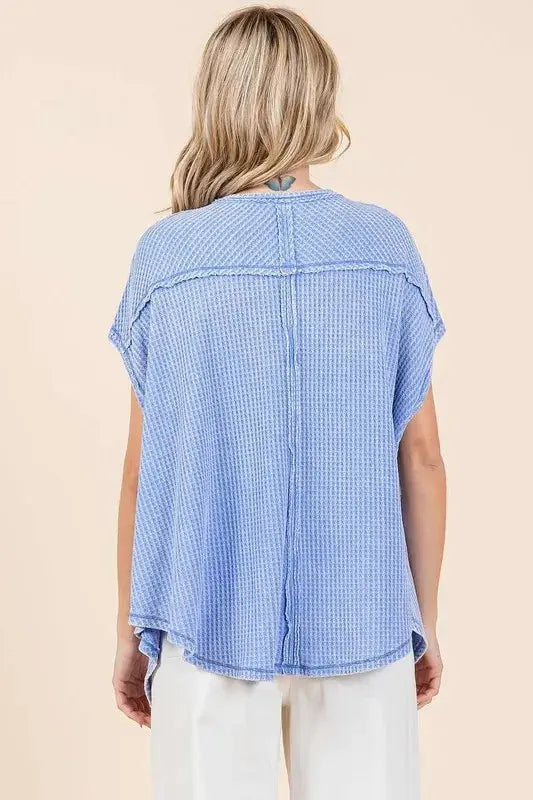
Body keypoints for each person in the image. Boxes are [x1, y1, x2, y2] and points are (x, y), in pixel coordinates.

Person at [109, 6, 446, 799]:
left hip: (205, 617)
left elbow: (141, 475)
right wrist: (422, 619)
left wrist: (131, 631)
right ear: (319, 98)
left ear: (215, 100)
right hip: (363, 621)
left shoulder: (168, 258)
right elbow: (423, 459)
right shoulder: (384, 246)